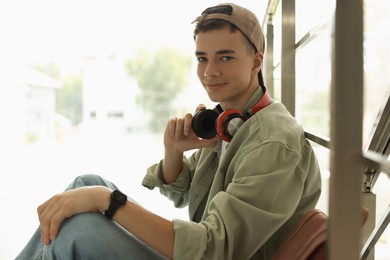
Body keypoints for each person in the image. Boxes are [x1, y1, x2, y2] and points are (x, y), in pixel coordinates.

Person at [16, 3, 321, 259]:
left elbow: (214, 247)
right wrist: (174, 151)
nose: (209, 71)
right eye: (202, 58)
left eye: (225, 57)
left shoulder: (272, 142)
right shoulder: (230, 121)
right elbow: (192, 194)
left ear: (256, 61)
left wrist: (107, 200)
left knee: (81, 228)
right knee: (85, 182)